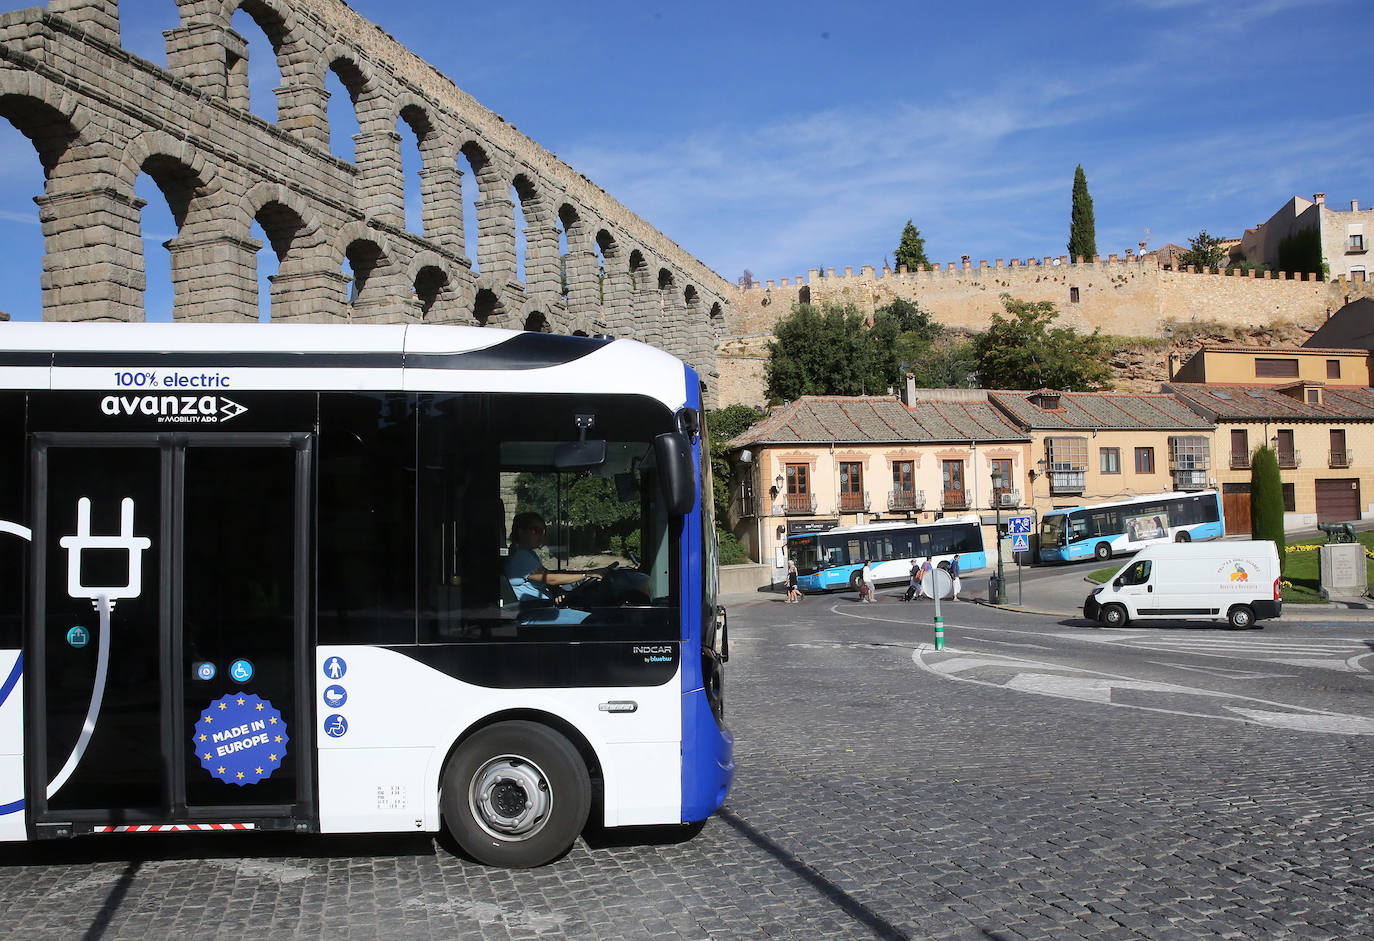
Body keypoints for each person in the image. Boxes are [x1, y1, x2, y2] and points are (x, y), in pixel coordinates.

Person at [506, 512, 605, 603]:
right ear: (521, 531)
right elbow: (551, 579)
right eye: (535, 531)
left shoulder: (527, 553)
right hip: (534, 611)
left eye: (543, 531)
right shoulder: (520, 556)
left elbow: (545, 576)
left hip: (541, 607)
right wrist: (587, 574)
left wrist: (556, 590)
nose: (541, 536)